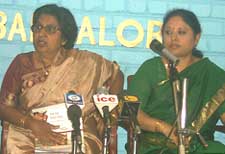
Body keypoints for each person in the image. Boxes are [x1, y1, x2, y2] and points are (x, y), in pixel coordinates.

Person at [0, 4, 124, 154]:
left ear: (64, 38)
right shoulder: (22, 62)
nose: (41, 34)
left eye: (50, 29)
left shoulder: (85, 62)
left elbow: (116, 74)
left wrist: (111, 108)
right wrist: (30, 123)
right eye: (38, 28)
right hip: (30, 132)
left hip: (77, 132)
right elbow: (4, 107)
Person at [127, 8, 225, 154]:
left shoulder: (213, 74)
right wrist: (161, 126)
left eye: (181, 32)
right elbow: (131, 111)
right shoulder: (151, 68)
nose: (173, 38)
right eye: (168, 32)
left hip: (199, 147)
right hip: (156, 146)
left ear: (196, 38)